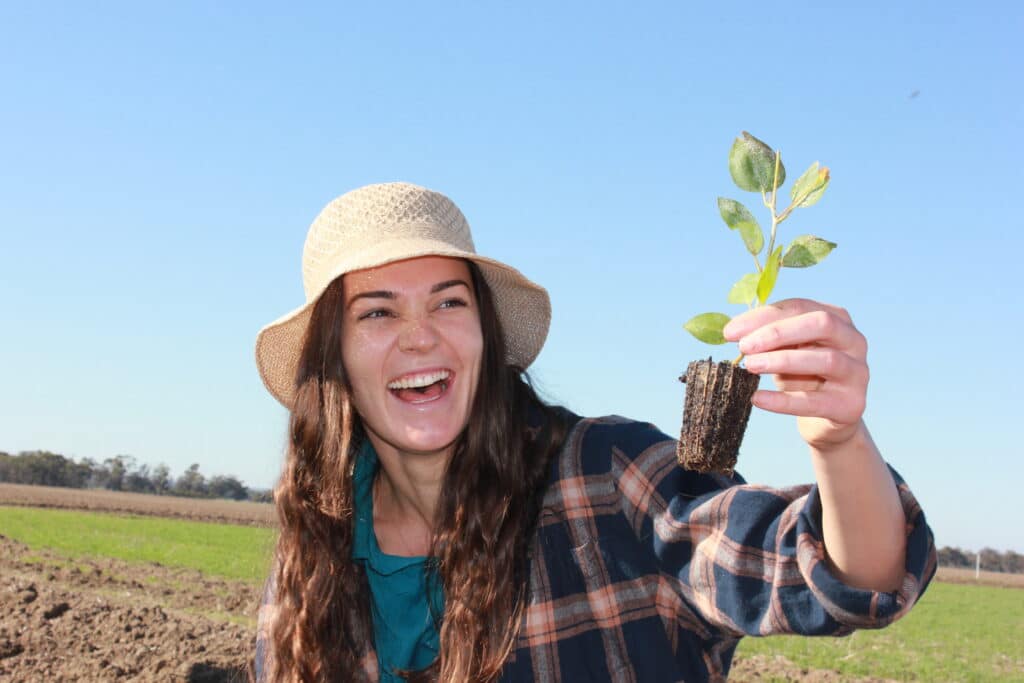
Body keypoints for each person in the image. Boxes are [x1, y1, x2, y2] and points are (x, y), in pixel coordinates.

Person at [253, 182, 935, 682]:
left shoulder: (604, 479)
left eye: (448, 301)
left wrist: (840, 443)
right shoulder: (314, 558)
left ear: (483, 333)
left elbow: (843, 577)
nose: (420, 335)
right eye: (376, 313)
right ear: (333, 357)